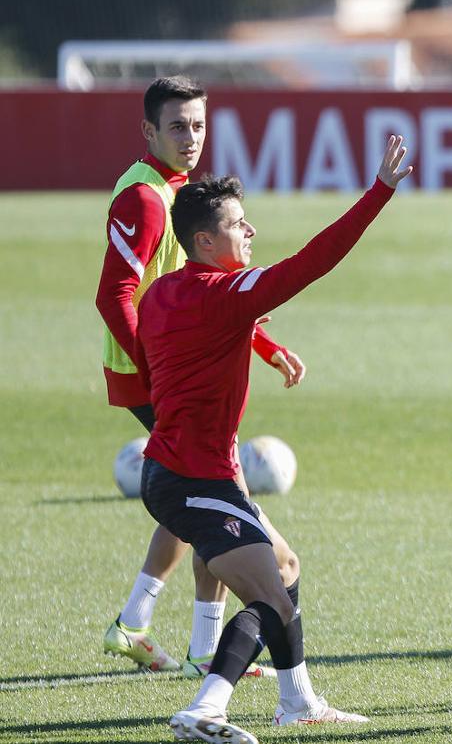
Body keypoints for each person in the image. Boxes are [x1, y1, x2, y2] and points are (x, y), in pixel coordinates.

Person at [137, 135, 412, 743]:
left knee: (285, 567)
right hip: (195, 477)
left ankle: (297, 701)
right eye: (239, 225)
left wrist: (258, 342)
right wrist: (380, 193)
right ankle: (208, 708)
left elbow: (184, 342)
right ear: (205, 242)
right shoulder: (226, 295)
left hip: (176, 472)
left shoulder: (162, 295)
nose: (251, 231)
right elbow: (313, 260)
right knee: (271, 603)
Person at [96, 76, 301, 676]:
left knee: (196, 503)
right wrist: (160, 373)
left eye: (199, 125)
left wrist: (261, 343)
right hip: (154, 372)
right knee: (209, 497)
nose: (192, 137)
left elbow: (204, 298)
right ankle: (168, 635)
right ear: (148, 132)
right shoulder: (144, 198)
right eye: (178, 126)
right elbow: (115, 297)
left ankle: (161, 630)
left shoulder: (177, 192)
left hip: (170, 366)